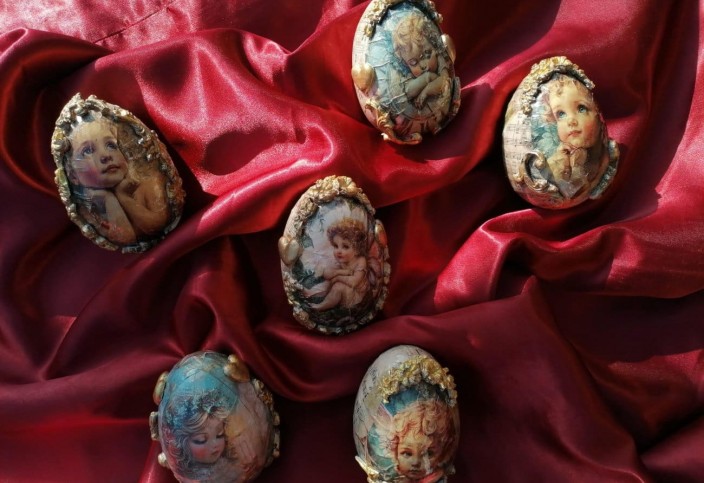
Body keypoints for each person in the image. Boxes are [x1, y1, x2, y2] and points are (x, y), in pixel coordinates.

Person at [65, 115, 170, 244]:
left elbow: (156, 226)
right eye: (88, 151)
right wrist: (110, 200)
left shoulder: (150, 181)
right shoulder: (87, 209)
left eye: (111, 145)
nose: (106, 155)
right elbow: (126, 238)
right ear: (73, 176)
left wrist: (123, 197)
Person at [538, 74, 608, 192]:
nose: (571, 121)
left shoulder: (607, 153)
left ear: (597, 114)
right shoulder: (559, 161)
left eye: (581, 109)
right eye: (561, 114)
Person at [164, 391, 231, 481]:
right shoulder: (189, 475)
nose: (215, 444)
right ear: (183, 444)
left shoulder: (230, 466)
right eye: (201, 440)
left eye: (219, 435)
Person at [392, 12, 452, 112]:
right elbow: (407, 93)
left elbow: (445, 82)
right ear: (406, 64)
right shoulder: (407, 74)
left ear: (435, 47)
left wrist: (426, 91)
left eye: (427, 55)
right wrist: (428, 77)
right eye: (413, 63)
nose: (423, 65)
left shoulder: (440, 59)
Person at [307, 218, 370, 311]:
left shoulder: (360, 260)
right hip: (346, 294)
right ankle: (325, 303)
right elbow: (327, 275)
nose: (339, 251)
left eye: (345, 247)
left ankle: (321, 307)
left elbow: (354, 282)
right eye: (336, 246)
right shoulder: (342, 261)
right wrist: (340, 272)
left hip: (357, 297)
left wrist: (338, 278)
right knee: (330, 286)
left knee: (338, 286)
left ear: (357, 249)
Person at [388, 399, 455, 483]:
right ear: (395, 452)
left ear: (442, 454)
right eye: (407, 453)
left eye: (428, 454)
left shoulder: (437, 479)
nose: (416, 462)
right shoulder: (392, 476)